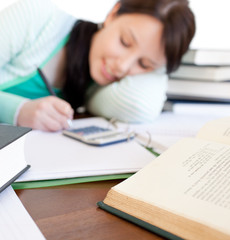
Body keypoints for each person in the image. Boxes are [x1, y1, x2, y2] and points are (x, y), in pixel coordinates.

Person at [0, 0, 195, 131]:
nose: (122, 66)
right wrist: (18, 111)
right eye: (124, 42)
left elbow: (141, 105)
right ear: (113, 13)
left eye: (144, 64)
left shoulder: (99, 88)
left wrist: (162, 63)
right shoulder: (37, 18)